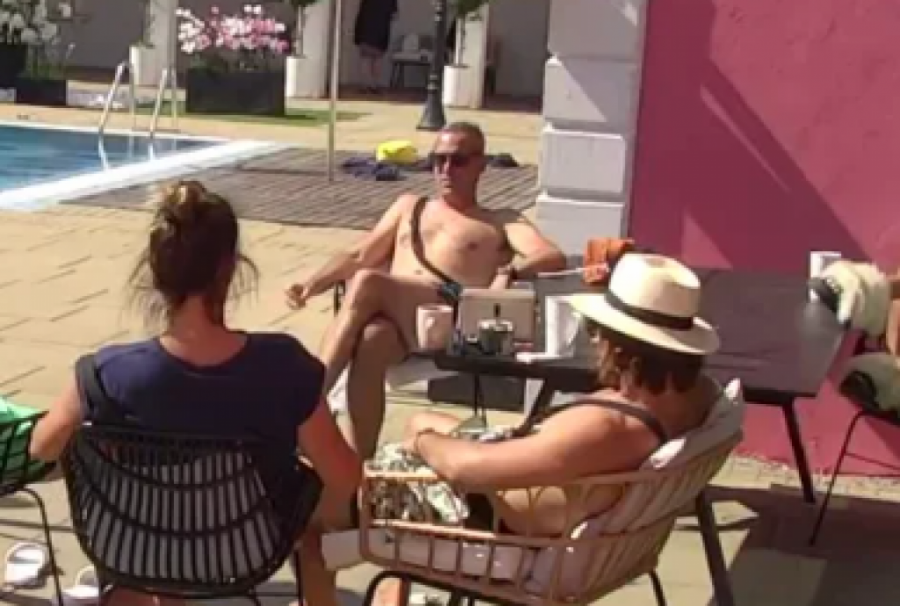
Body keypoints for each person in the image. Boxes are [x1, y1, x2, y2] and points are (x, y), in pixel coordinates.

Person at [301, 252, 735, 606]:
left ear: (625, 349)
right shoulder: (692, 399)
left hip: (484, 520)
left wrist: (424, 443)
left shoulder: (608, 428)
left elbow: (466, 472)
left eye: (599, 331)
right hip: (520, 497)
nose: (595, 340)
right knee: (424, 417)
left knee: (308, 505)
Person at [31, 181, 361, 606]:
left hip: (138, 549)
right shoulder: (283, 366)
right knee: (319, 522)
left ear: (154, 271)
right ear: (231, 269)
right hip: (246, 550)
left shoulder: (106, 373)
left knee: (154, 505)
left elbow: (42, 447)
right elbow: (344, 477)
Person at [285, 121, 568, 460]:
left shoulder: (499, 221)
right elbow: (359, 255)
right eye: (438, 160)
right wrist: (311, 284)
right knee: (373, 339)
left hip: (451, 315)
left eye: (458, 160)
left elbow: (552, 256)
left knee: (368, 281)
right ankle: (358, 466)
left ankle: (306, 403)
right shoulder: (409, 206)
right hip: (398, 316)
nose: (446, 169)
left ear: (480, 165)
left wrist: (511, 270)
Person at [353, 0, 397, 93]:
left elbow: (361, 13)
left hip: (365, 29)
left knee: (365, 58)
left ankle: (364, 85)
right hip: (381, 30)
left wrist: (357, 34)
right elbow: (394, 15)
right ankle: (374, 85)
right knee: (377, 58)